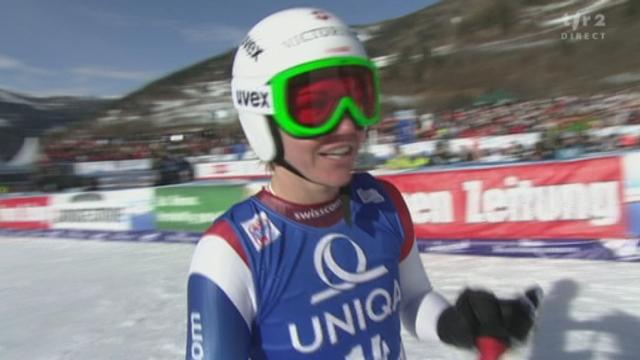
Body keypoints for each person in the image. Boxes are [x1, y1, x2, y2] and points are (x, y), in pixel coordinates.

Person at [186, 8, 538, 360]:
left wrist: (457, 325)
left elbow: (412, 299)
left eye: (360, 97)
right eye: (313, 107)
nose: (348, 126)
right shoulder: (232, 252)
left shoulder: (382, 202)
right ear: (260, 118)